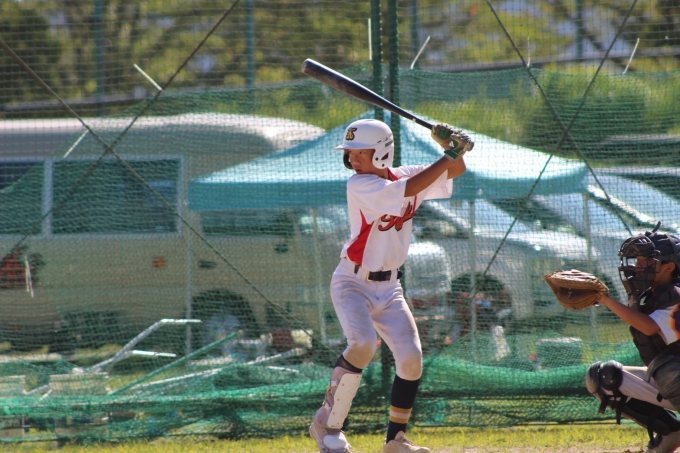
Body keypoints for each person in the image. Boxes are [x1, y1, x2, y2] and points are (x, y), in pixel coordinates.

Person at [309, 118, 471, 453]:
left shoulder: (407, 175)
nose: (353, 158)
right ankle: (327, 425)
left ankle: (395, 440)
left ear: (382, 152)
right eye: (350, 152)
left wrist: (451, 150)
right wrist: (450, 153)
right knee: (363, 344)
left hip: (390, 287)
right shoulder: (360, 184)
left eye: (360, 152)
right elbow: (412, 189)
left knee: (411, 358)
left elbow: (455, 171)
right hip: (352, 281)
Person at [587, 223, 680, 453]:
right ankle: (672, 432)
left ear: (669, 267)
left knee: (668, 370)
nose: (638, 265)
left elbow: (648, 327)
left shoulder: (676, 295)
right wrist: (632, 302)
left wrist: (605, 299)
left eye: (647, 260)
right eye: (637, 259)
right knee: (605, 377)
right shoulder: (651, 297)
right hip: (672, 384)